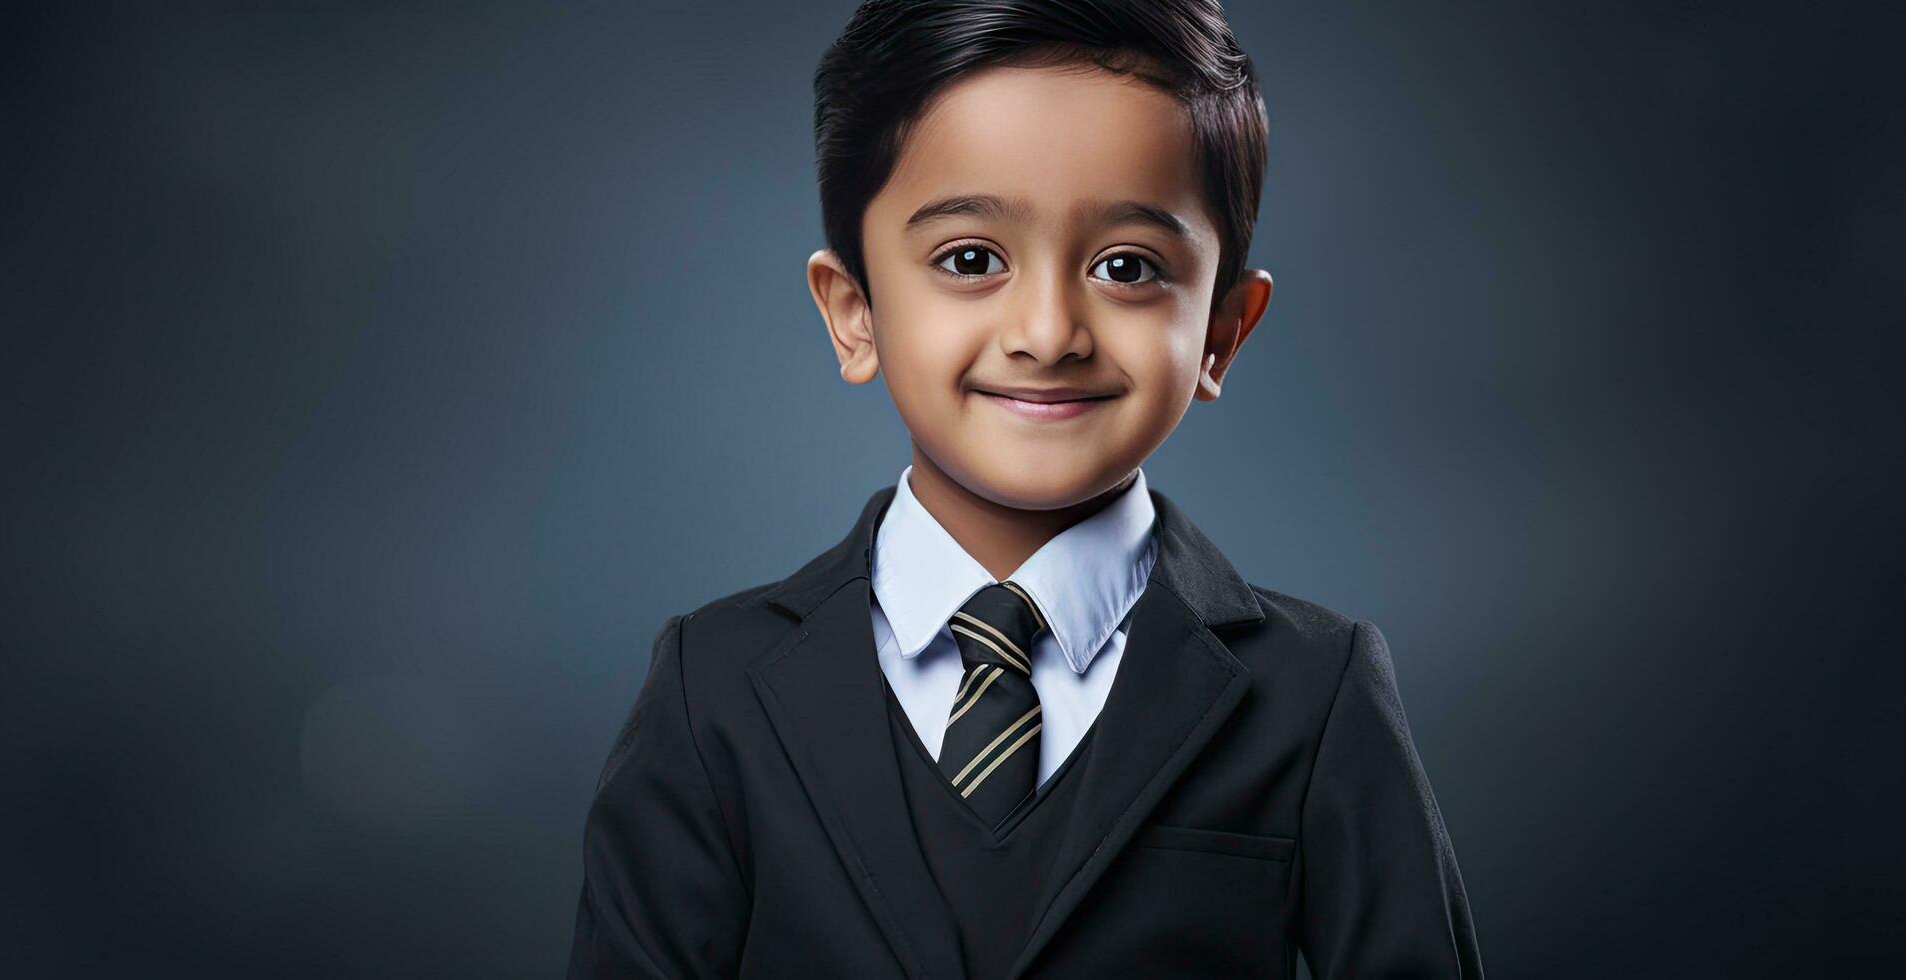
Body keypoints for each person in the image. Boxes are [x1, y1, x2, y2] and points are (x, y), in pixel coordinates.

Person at [567, 1, 1483, 976]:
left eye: (1126, 267)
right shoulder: (711, 684)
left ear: (1221, 330)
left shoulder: (1312, 689)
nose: (1046, 332)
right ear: (853, 312)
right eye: (970, 260)